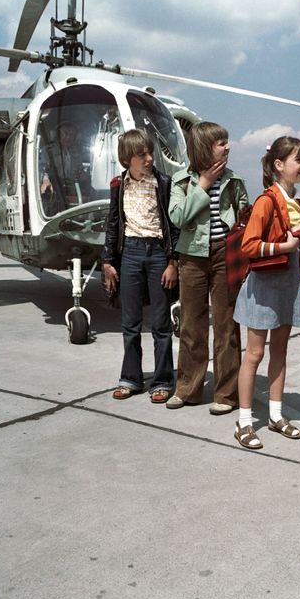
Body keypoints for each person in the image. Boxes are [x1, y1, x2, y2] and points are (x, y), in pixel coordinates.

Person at [233, 136, 300, 450]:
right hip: (264, 285)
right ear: (279, 165)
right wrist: (283, 246)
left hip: (288, 284)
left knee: (280, 351)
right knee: (254, 354)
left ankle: (276, 416)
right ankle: (244, 421)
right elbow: (249, 245)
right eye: (298, 160)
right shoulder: (266, 201)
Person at [167, 121, 249, 415]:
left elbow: (245, 219)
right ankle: (187, 389)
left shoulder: (234, 181)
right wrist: (202, 185)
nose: (227, 146)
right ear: (203, 147)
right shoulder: (181, 181)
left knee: (227, 326)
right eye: (221, 142)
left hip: (226, 255)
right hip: (191, 256)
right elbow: (178, 217)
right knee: (192, 325)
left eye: (227, 141)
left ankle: (226, 394)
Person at [102, 128, 179, 404]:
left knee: (161, 324)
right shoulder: (118, 185)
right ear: (127, 160)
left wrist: (173, 262)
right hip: (130, 254)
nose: (149, 158)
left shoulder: (164, 183)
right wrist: (108, 261)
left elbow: (174, 226)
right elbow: (113, 224)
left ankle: (163, 380)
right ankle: (130, 378)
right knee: (130, 323)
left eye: (150, 153)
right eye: (141, 154)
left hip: (158, 253)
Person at [40, 120, 92, 213]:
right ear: (58, 134)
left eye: (71, 134)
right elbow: (42, 168)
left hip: (74, 189)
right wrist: (45, 180)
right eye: (65, 133)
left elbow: (82, 170)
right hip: (54, 189)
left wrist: (85, 176)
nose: (68, 137)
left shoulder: (79, 152)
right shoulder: (48, 151)